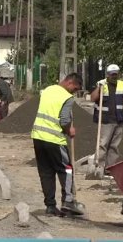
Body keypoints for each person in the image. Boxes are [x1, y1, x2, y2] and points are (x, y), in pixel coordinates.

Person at [31, 73, 84, 216]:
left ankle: (50, 206)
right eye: (75, 89)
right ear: (70, 83)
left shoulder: (48, 90)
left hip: (38, 137)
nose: (75, 92)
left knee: (46, 172)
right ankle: (68, 201)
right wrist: (69, 130)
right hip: (55, 139)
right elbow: (64, 120)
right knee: (66, 169)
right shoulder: (67, 97)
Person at [90, 64, 123, 173]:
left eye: (115, 74)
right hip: (105, 120)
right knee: (103, 145)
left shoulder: (122, 85)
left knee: (114, 146)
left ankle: (110, 168)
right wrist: (99, 88)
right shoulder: (102, 84)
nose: (114, 76)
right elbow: (92, 98)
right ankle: (98, 167)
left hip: (118, 119)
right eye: (112, 74)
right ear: (107, 74)